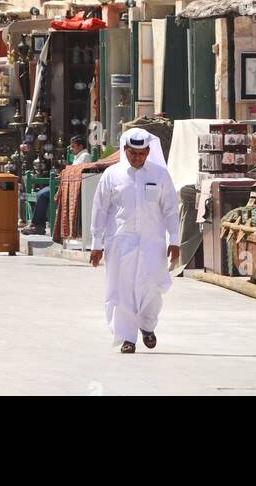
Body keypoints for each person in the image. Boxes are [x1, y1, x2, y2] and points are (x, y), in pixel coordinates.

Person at [89, 127, 179, 353]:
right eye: (132, 153)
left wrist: (175, 239)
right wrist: (96, 243)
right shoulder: (112, 175)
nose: (137, 158)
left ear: (148, 151)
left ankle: (147, 326)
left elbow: (170, 209)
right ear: (125, 150)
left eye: (141, 154)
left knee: (152, 286)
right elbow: (100, 209)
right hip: (120, 241)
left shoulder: (159, 175)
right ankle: (127, 337)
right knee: (123, 288)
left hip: (153, 242)